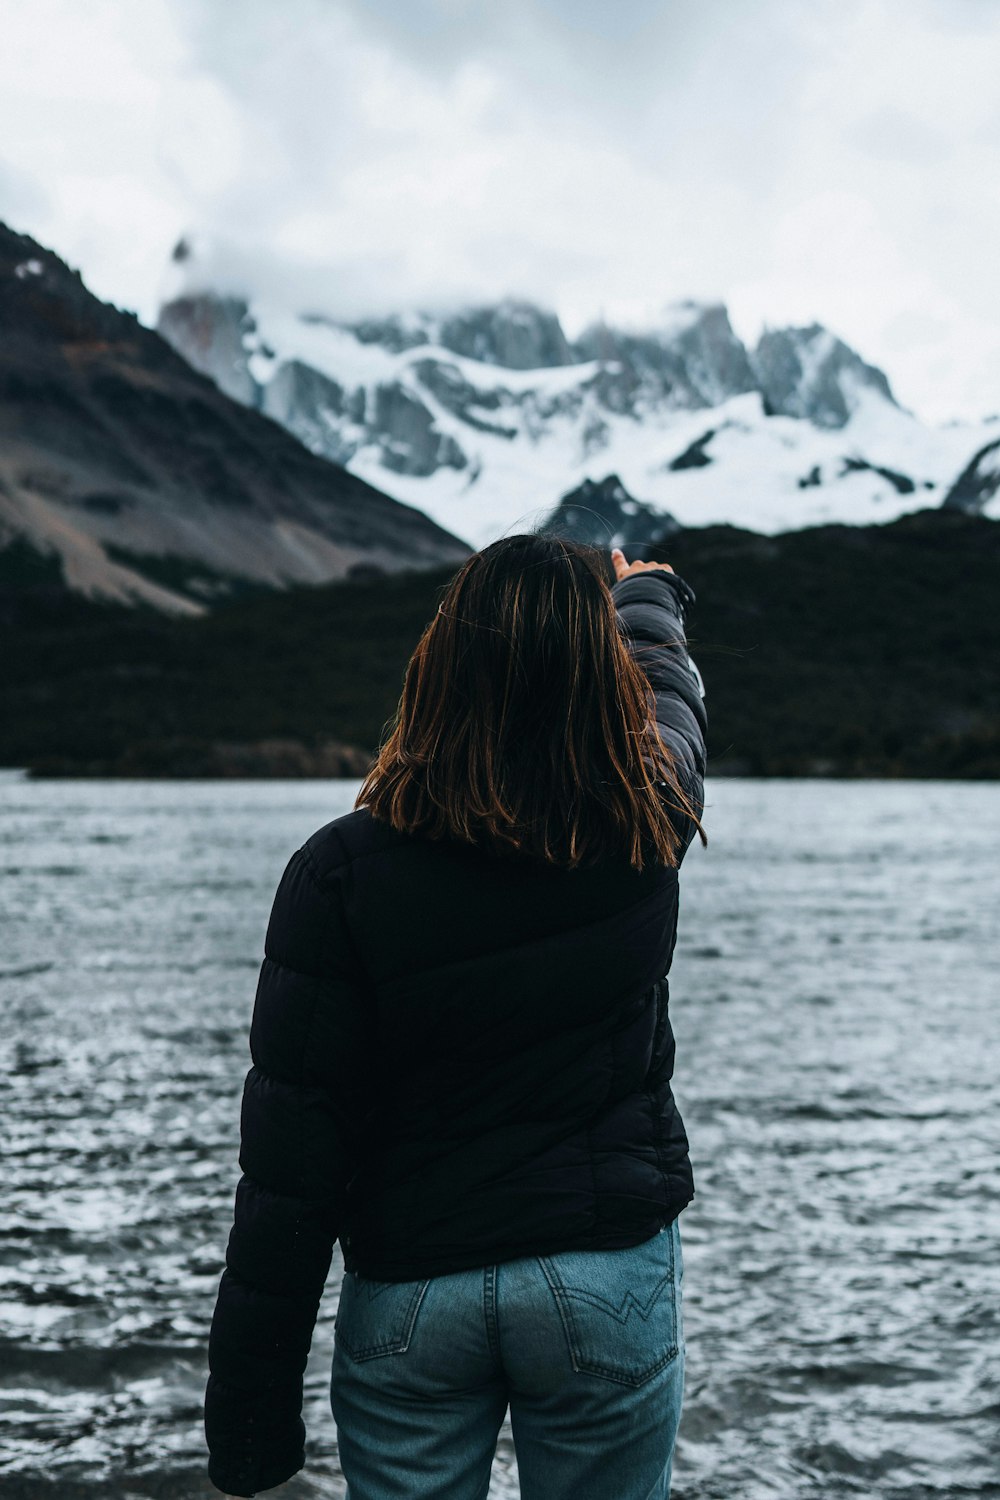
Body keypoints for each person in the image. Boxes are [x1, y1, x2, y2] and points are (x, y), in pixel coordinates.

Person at [205, 535, 708, 1500]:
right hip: (602, 1273)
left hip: (415, 1288)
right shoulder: (648, 820)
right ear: (602, 679)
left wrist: (252, 1432)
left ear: (438, 667)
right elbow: (675, 711)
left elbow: (289, 1173)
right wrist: (645, 601)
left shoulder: (340, 871)